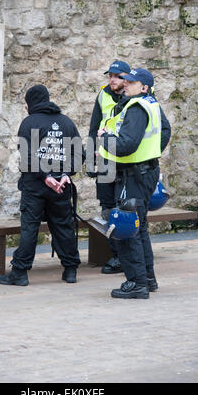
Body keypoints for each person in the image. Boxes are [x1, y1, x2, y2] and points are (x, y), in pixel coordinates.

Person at [0, 85, 84, 286]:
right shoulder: (66, 122)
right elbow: (79, 153)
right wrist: (65, 174)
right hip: (61, 187)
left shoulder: (28, 123)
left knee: (30, 227)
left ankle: (20, 272)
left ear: (29, 104)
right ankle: (70, 270)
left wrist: (45, 176)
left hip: (35, 186)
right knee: (63, 226)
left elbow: (26, 156)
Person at [98, 68, 171, 299]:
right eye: (126, 80)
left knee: (127, 228)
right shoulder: (151, 103)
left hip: (134, 175)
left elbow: (126, 144)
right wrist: (150, 154)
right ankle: (147, 279)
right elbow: (164, 131)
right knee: (139, 229)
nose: (125, 84)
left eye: (131, 82)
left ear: (144, 87)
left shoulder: (137, 106)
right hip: (142, 171)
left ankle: (137, 283)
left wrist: (105, 140)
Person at [88, 60, 131, 274]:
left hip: (125, 161)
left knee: (124, 208)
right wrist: (88, 159)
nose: (112, 79)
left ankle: (129, 257)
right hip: (105, 160)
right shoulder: (103, 94)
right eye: (110, 76)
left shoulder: (135, 97)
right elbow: (93, 127)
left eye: (117, 76)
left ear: (127, 78)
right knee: (106, 208)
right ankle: (116, 256)